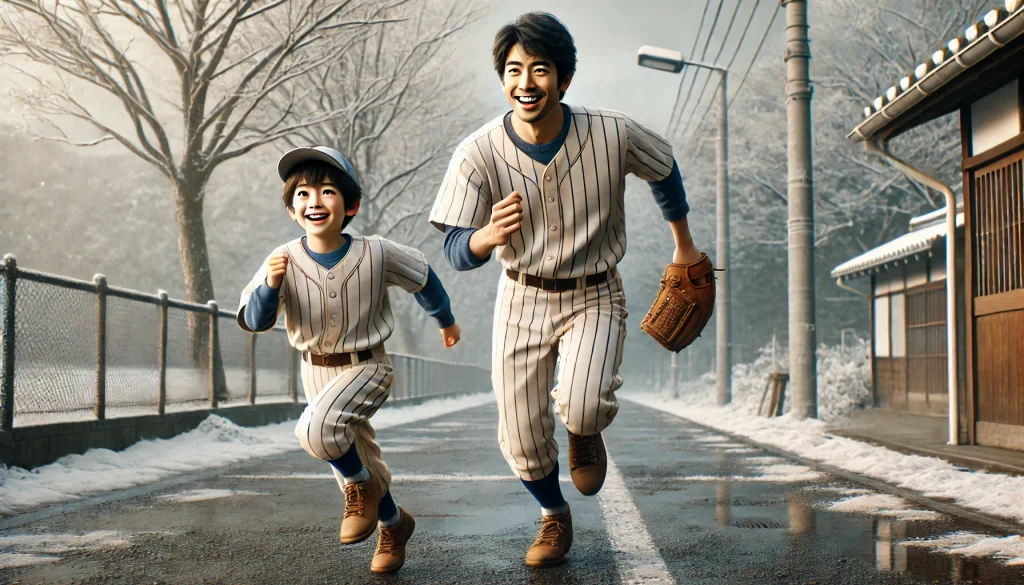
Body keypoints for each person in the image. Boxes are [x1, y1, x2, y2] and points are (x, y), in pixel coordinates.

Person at [429, 12, 704, 567]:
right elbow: (457, 252)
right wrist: (484, 236)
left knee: (582, 402)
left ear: (564, 78)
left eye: (540, 69)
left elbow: (665, 167)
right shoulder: (478, 152)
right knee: (521, 436)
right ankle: (553, 516)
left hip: (594, 293)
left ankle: (584, 431)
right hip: (521, 296)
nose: (525, 82)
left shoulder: (613, 131)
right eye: (513, 70)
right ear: (502, 78)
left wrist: (685, 246)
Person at [237, 146, 462, 573]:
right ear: (291, 209)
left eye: (326, 191)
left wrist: (445, 321)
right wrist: (269, 285)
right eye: (302, 194)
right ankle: (394, 524)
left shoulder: (376, 251)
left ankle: (360, 488)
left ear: (351, 204)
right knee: (349, 454)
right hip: (315, 369)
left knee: (317, 432)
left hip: (368, 364)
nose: (314, 202)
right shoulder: (281, 258)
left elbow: (424, 276)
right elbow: (254, 319)